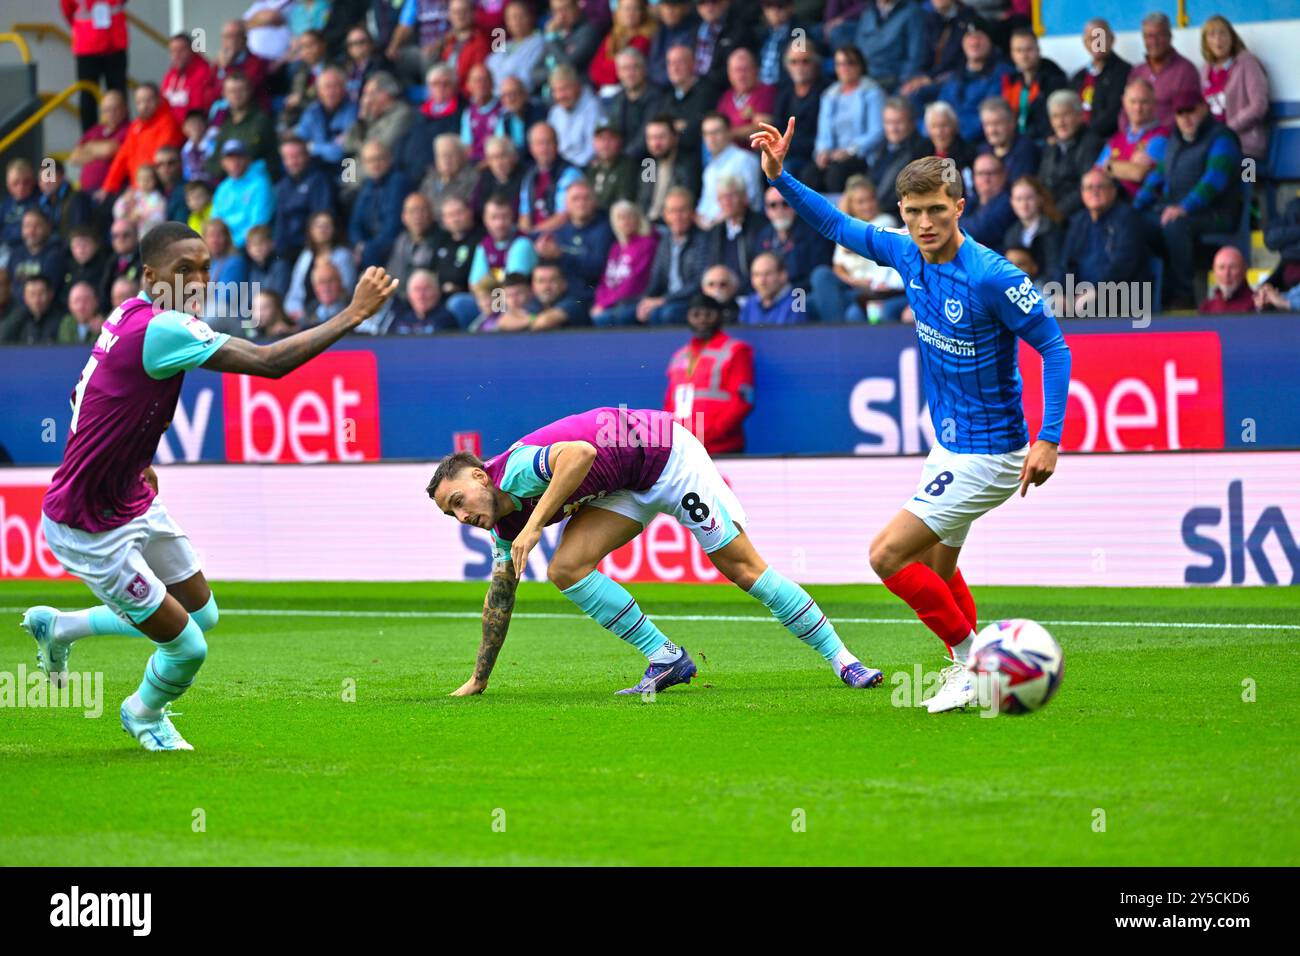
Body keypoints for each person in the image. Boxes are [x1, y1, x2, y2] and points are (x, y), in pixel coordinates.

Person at [20, 222, 399, 750]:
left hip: (129, 497)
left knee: (203, 612)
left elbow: (88, 398)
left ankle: (60, 628)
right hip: (88, 526)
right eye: (184, 271)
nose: (198, 281)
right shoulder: (164, 329)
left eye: (204, 269)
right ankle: (144, 713)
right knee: (188, 648)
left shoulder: (127, 313)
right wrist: (354, 314)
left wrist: (132, 460)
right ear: (151, 276)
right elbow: (270, 363)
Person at [753, 121, 1070, 713]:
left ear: (959, 207)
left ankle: (972, 661)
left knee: (886, 555)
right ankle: (976, 667)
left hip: (993, 453)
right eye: (915, 211)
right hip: (950, 446)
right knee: (936, 566)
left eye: (937, 211)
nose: (926, 224)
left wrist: (1048, 439)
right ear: (902, 210)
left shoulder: (993, 276)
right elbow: (837, 225)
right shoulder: (903, 250)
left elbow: (1054, 347)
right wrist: (780, 177)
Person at [427, 405, 884, 696]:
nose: (462, 516)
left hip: (667, 458)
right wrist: (479, 679)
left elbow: (581, 454)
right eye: (452, 514)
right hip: (623, 486)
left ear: (481, 477)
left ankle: (844, 660)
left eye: (458, 501)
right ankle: (666, 657)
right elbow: (500, 597)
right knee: (566, 568)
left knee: (743, 569)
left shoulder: (519, 470)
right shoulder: (500, 526)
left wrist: (531, 529)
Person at [1135, 91, 1243, 310]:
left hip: (1216, 213)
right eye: (1180, 113)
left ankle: (1183, 295)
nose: (1186, 118)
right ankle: (1144, 295)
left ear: (1203, 108)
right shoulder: (1175, 139)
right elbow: (1158, 174)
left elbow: (1214, 181)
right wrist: (1134, 206)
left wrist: (1184, 207)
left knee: (1175, 226)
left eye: (1191, 111)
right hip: (1175, 209)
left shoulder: (1222, 137)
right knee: (1134, 223)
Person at [664, 291, 754, 453]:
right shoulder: (679, 356)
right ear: (688, 318)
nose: (702, 320)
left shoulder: (736, 350)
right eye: (696, 314)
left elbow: (743, 400)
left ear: (719, 316)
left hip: (721, 446)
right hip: (684, 449)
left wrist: (713, 433)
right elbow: (669, 404)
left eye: (708, 314)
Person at [1052, 169, 1150, 315]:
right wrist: (1062, 291)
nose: (1095, 192)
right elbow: (1066, 263)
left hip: (1120, 292)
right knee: (1054, 304)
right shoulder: (1078, 221)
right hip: (1082, 292)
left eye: (1100, 187)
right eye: (1089, 188)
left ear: (1113, 191)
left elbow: (1124, 265)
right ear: (1082, 193)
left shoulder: (1127, 218)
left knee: (1085, 305)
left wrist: (1096, 289)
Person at [810, 176, 904, 323]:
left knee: (822, 298)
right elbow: (838, 266)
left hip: (872, 290)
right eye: (860, 202)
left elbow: (848, 246)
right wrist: (852, 280)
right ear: (851, 205)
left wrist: (842, 213)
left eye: (870, 199)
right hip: (852, 285)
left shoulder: (885, 221)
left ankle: (837, 334)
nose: (867, 206)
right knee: (818, 281)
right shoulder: (847, 227)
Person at [810, 46, 885, 193]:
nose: (844, 68)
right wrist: (822, 151)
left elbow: (878, 131)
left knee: (835, 174)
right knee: (810, 174)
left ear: (860, 65)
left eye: (849, 63)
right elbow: (823, 131)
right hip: (833, 156)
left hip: (862, 155)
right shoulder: (829, 94)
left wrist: (850, 150)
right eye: (839, 64)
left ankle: (835, 215)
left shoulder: (872, 92)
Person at [1200, 15, 1271, 161]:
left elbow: (1259, 106)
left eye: (1222, 33)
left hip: (1246, 146)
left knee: (1247, 177)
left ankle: (1250, 182)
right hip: (1213, 144)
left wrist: (1229, 128)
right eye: (1212, 34)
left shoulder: (1247, 62)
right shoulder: (1206, 69)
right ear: (1206, 41)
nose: (1218, 39)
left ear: (1232, 37)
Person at [637, 187, 708, 325]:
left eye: (682, 210)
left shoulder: (703, 240)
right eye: (672, 211)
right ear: (665, 215)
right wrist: (645, 301)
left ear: (693, 213)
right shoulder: (665, 241)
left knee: (665, 314)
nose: (677, 216)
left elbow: (698, 283)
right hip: (666, 300)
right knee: (622, 315)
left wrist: (664, 300)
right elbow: (656, 279)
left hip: (690, 301)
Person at [101, 84, 185, 199]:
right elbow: (122, 157)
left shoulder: (168, 123)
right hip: (137, 187)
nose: (144, 106)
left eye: (148, 100)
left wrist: (140, 187)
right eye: (139, 102)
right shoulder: (136, 126)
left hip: (155, 189)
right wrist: (108, 187)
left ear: (159, 100)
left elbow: (160, 161)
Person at [61, 0, 129, 133]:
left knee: (118, 95)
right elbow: (68, 10)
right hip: (89, 45)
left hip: (113, 43)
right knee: (88, 97)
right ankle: (89, 138)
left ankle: (122, 136)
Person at [589, 201, 659, 326]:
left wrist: (605, 304)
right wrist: (599, 303)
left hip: (634, 300)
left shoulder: (648, 244)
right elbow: (605, 280)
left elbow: (635, 282)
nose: (625, 221)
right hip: (613, 303)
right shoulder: (616, 247)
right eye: (620, 218)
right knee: (597, 317)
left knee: (609, 318)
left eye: (629, 216)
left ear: (637, 218)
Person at [1130, 12, 1200, 129]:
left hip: (1169, 139)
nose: (1154, 42)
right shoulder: (1137, 71)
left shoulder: (1185, 71)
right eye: (1148, 36)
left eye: (1159, 35)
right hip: (1135, 138)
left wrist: (1154, 133)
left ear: (1170, 36)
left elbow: (1187, 115)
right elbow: (1124, 111)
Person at [1038, 90, 1099, 222]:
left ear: (1079, 115)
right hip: (1049, 213)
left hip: (1074, 216)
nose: (1061, 122)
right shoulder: (1052, 146)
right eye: (1055, 116)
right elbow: (1042, 181)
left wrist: (1055, 213)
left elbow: (1085, 188)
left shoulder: (1091, 143)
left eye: (1065, 115)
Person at [286, 211, 356, 321]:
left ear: (334, 229)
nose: (322, 229)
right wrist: (298, 314)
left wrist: (319, 315)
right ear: (311, 230)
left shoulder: (343, 255)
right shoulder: (306, 256)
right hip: (305, 316)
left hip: (335, 316)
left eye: (327, 225)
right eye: (318, 225)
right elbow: (295, 292)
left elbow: (347, 293)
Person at [1001, 27, 1067, 142]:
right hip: (1016, 143)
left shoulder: (1054, 79)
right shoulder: (1011, 80)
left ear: (1038, 50)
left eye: (1028, 50)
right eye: (1018, 50)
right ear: (1012, 54)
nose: (1024, 56)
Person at [697, 112, 763, 227]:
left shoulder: (745, 159)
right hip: (712, 231)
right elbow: (702, 208)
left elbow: (749, 200)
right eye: (706, 134)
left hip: (741, 228)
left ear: (729, 132)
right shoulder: (709, 170)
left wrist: (713, 224)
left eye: (716, 132)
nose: (711, 138)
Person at [349, 142, 408, 269]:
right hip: (369, 247)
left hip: (392, 246)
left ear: (389, 159)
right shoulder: (367, 185)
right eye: (369, 161)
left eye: (378, 159)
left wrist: (367, 248)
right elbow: (355, 223)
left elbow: (393, 225)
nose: (374, 165)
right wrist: (359, 244)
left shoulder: (398, 181)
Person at [1070, 18, 1130, 141]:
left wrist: (1082, 134)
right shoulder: (1078, 77)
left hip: (1107, 139)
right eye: (1092, 39)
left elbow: (1114, 114)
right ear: (1085, 43)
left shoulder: (1124, 72)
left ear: (1112, 39)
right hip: (1078, 139)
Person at [210, 140, 276, 250]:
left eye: (239, 157)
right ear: (223, 163)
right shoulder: (223, 187)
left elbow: (258, 224)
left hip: (248, 247)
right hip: (223, 248)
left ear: (248, 159)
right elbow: (215, 221)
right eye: (230, 158)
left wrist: (232, 246)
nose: (234, 162)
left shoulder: (260, 184)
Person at [853, 0, 928, 93]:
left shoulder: (912, 12)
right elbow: (857, 50)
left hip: (891, 79)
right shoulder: (868, 13)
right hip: (865, 78)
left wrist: (905, 81)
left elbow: (916, 55)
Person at [871, 97, 932, 212]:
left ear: (912, 122)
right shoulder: (883, 147)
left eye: (899, 122)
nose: (893, 128)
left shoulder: (922, 149)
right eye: (888, 122)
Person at [1003, 176, 1063, 282]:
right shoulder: (1011, 233)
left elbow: (1056, 268)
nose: (1024, 204)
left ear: (1039, 199)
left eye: (1029, 198)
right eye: (1019, 199)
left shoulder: (1053, 229)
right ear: (1012, 202)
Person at [161, 32, 217, 125]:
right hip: (169, 129)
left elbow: (197, 110)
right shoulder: (170, 75)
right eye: (173, 51)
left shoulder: (203, 73)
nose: (176, 55)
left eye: (181, 50)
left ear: (192, 51)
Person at [739, 252, 801, 325]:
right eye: (757, 275)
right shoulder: (750, 303)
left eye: (767, 274)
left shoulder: (797, 304)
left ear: (783, 275)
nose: (762, 281)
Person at [0, 274, 62, 344]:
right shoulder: (17, 320)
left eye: (41, 294)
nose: (36, 300)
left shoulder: (62, 320)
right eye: (32, 294)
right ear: (25, 297)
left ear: (51, 294)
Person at [1200, 245, 1254, 314]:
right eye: (1221, 267)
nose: (1226, 274)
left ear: (1244, 270)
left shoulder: (1257, 305)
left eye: (1233, 267)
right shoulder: (1206, 308)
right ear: (1214, 271)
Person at [57, 280, 105, 344]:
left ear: (96, 302)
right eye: (76, 301)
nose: (81, 306)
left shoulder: (107, 324)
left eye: (86, 300)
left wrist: (103, 331)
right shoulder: (66, 323)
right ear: (69, 304)